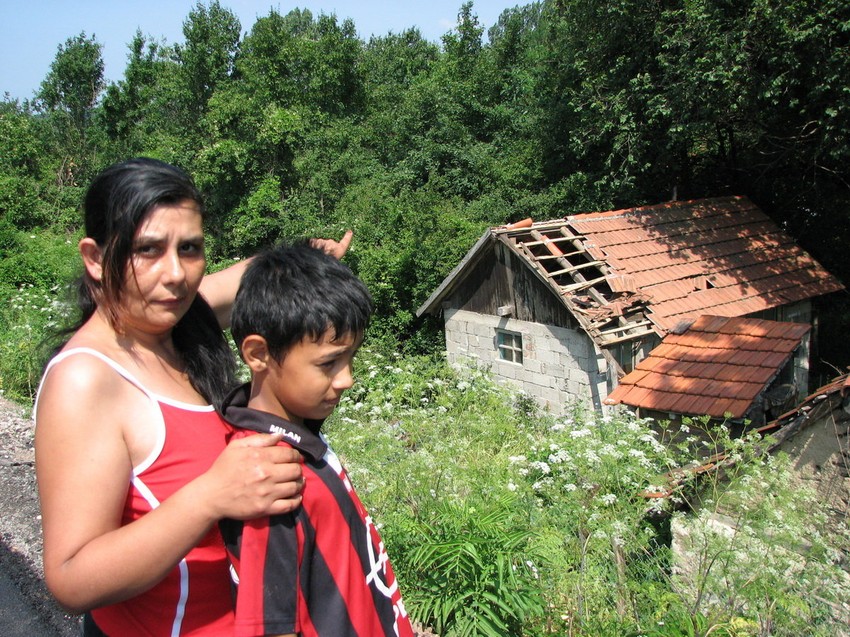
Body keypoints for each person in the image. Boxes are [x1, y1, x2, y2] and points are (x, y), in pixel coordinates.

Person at [34, 157, 351, 636]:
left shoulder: (179, 322)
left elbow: (246, 278)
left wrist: (308, 257)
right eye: (147, 249)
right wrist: (209, 497)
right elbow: (71, 578)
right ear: (95, 259)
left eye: (190, 248)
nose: (176, 274)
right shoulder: (85, 380)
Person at [218, 242, 414, 637]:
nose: (347, 379)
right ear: (258, 354)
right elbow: (271, 625)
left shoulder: (299, 437)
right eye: (329, 363)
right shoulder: (268, 479)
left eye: (350, 358)